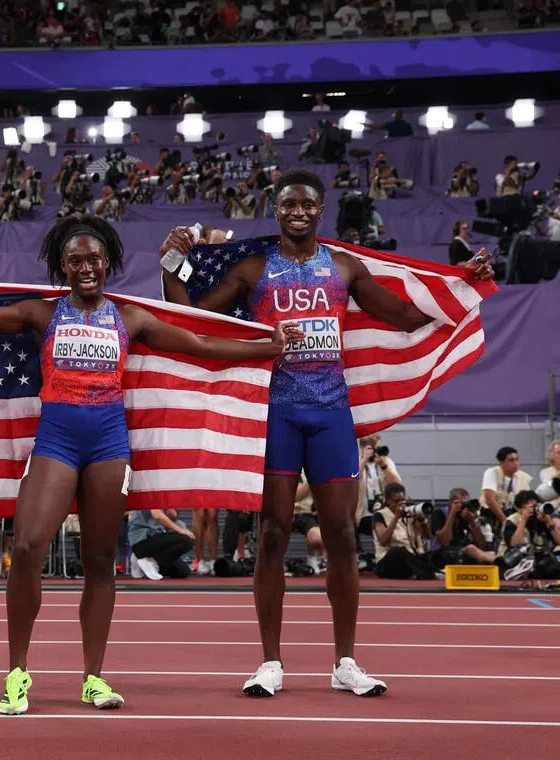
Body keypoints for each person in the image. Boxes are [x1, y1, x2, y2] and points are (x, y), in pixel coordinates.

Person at [0, 214, 297, 715]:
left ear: (108, 263)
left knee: (101, 563)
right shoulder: (43, 314)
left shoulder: (130, 319)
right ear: (63, 265)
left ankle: (94, 678)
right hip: (56, 441)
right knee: (31, 547)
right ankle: (17, 674)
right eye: (76, 260)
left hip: (108, 446)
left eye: (94, 259)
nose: (86, 267)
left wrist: (265, 348)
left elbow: (203, 346)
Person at [158, 168, 494, 698]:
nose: (297, 211)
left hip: (333, 413)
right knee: (272, 534)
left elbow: (407, 317)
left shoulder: (343, 267)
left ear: (321, 210)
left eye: (306, 204)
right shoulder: (253, 269)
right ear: (277, 209)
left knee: (341, 536)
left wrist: (463, 282)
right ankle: (270, 662)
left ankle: (345, 662)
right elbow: (197, 319)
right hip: (277, 413)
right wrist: (173, 264)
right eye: (288, 203)